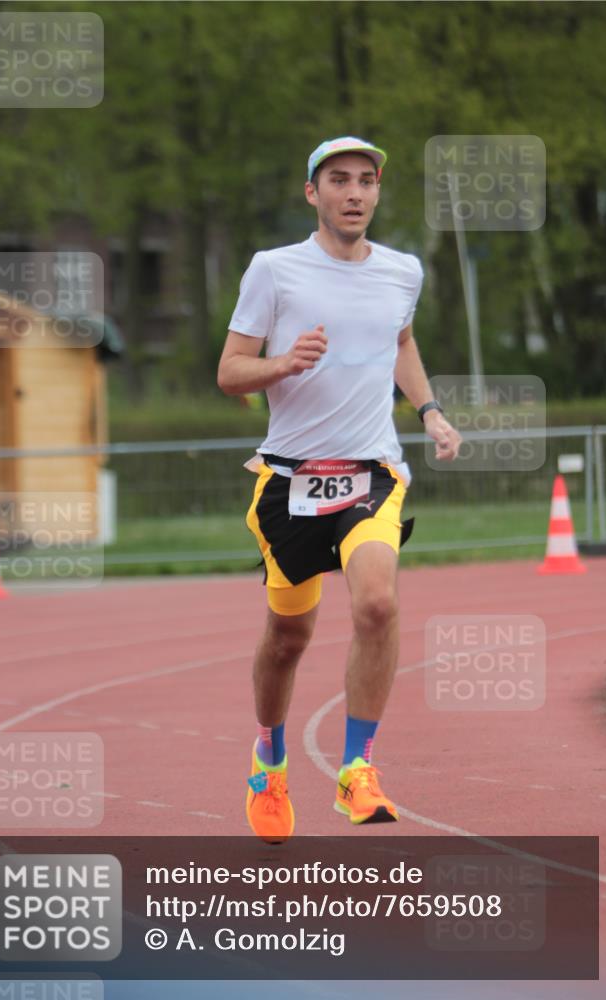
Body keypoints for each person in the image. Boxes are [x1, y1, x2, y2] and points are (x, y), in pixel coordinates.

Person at [217, 136, 461, 843]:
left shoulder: (401, 271)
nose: (353, 192)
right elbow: (230, 372)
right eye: (337, 180)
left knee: (378, 602)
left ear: (377, 192)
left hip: (371, 473)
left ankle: (357, 768)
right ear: (312, 193)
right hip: (289, 482)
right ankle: (268, 757)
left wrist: (430, 410)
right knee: (289, 634)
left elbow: (401, 341)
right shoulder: (275, 270)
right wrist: (282, 364)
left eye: (364, 181)